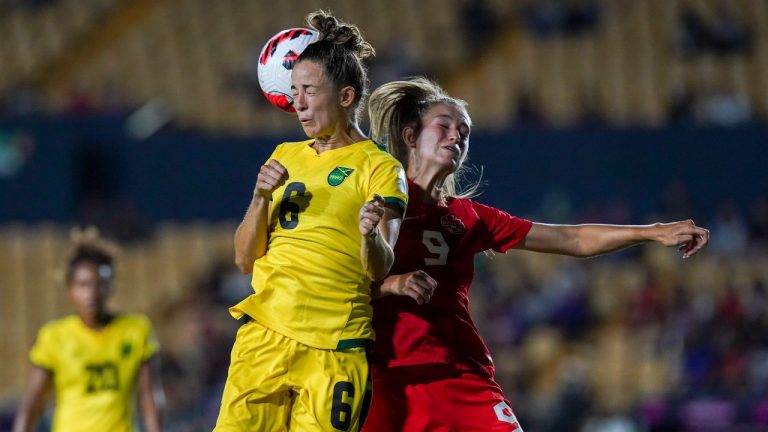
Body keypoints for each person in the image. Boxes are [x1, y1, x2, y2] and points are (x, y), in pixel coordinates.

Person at [363, 77, 709, 431]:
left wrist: (652, 231)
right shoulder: (374, 204)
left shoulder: (469, 217)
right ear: (410, 137)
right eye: (445, 126)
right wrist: (391, 285)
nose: (457, 136)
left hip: (462, 375)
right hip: (389, 379)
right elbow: (334, 287)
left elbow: (570, 239)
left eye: (464, 130)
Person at [214, 10, 408, 431]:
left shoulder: (380, 167)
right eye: (294, 91)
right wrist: (259, 197)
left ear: (345, 96)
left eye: (309, 91)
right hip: (264, 335)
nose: (298, 103)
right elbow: (245, 259)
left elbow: (380, 266)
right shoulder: (283, 155)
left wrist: (370, 234)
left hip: (336, 346)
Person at [12, 227, 162, 432]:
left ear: (111, 286)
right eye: (83, 284)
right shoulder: (54, 337)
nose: (91, 293)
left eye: (99, 284)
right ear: (70, 289)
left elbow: (149, 397)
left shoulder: (136, 330)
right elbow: (32, 404)